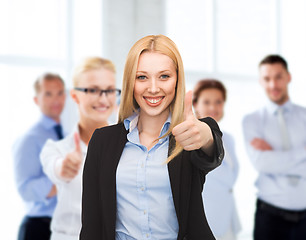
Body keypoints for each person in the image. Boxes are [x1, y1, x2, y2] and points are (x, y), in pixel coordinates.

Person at [80, 35, 224, 240]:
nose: (154, 88)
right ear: (131, 81)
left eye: (164, 76)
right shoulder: (103, 142)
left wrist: (205, 137)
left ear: (177, 80)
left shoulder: (189, 135)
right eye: (142, 77)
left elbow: (212, 151)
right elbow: (92, 225)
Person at [40, 57, 119, 240]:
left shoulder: (129, 145)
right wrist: (65, 167)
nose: (104, 99)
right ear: (74, 95)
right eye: (93, 90)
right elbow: (57, 168)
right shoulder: (57, 150)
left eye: (110, 90)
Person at [242, 54, 306, 240]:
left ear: (288, 77)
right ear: (260, 81)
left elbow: (271, 163)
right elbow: (263, 164)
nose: (273, 85)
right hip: (270, 218)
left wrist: (276, 156)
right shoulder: (252, 121)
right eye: (267, 78)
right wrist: (303, 152)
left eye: (278, 77)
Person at [12, 73, 66, 240]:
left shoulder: (67, 134)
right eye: (48, 94)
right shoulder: (29, 139)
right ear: (36, 100)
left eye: (59, 93)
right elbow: (25, 190)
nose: (56, 100)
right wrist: (64, 179)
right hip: (39, 229)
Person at [192, 79, 241, 240]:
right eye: (207, 102)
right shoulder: (190, 139)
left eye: (218, 102)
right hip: (206, 221)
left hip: (228, 221)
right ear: (195, 105)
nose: (213, 107)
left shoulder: (229, 139)